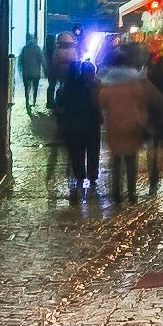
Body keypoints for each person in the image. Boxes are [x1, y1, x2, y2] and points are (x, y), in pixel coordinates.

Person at [48, 46, 106, 209]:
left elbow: (58, 106)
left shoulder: (66, 89)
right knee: (92, 149)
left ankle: (80, 175)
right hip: (90, 124)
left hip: (75, 126)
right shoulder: (91, 87)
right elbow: (96, 104)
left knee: (78, 151)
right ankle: (91, 175)